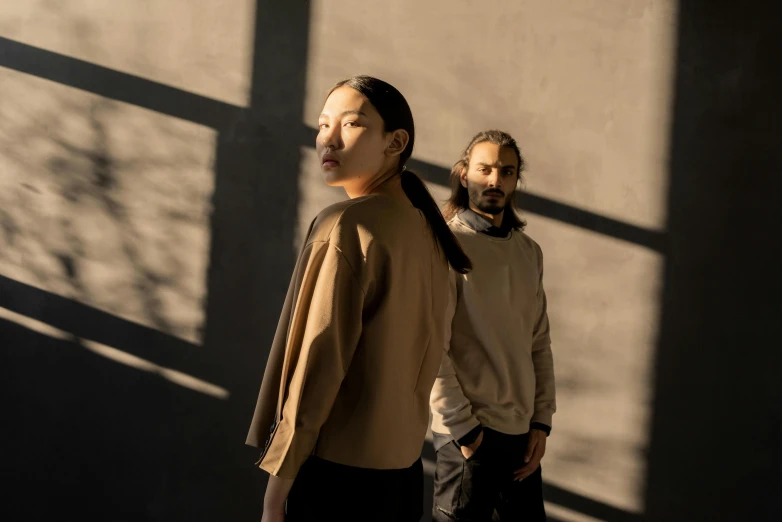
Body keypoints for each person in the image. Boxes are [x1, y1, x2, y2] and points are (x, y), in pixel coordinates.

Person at [246, 75, 472, 522]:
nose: (328, 138)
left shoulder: (347, 226)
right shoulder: (426, 229)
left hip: (337, 480)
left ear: (396, 142)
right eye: (322, 124)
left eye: (350, 124)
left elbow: (319, 363)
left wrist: (276, 495)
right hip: (403, 476)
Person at [430, 130, 556, 521]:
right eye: (484, 169)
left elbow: (539, 341)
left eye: (506, 171)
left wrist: (541, 422)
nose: (494, 180)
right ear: (464, 174)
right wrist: (463, 430)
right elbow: (432, 344)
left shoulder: (528, 252)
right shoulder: (444, 246)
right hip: (469, 434)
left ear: (516, 180)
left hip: (521, 438)